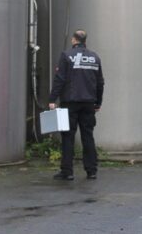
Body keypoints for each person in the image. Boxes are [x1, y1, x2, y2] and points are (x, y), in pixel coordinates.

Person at [48, 29, 105, 180]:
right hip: (88, 103)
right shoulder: (95, 57)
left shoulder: (66, 55)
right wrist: (98, 102)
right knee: (88, 136)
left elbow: (60, 79)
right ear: (85, 41)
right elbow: (100, 82)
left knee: (68, 137)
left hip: (70, 103)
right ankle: (91, 171)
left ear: (74, 40)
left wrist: (52, 99)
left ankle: (67, 172)